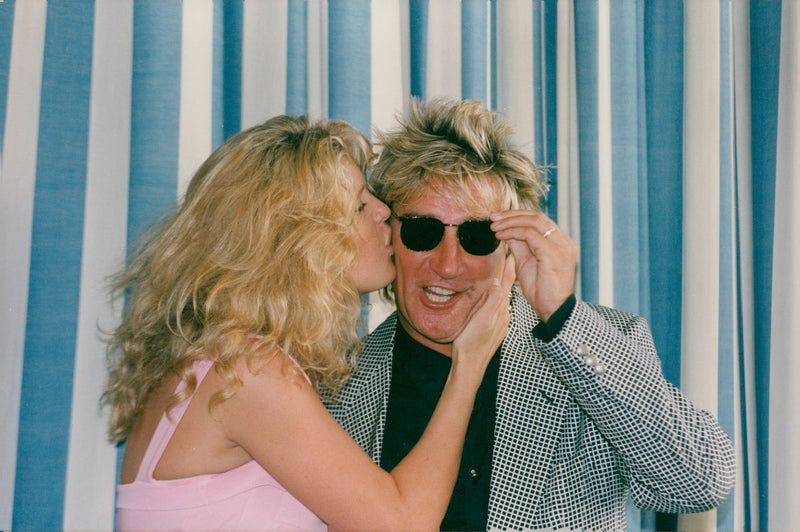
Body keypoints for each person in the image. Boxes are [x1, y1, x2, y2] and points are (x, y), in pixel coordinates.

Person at [327, 98, 736, 531]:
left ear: (512, 246)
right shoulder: (337, 380)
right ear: (389, 236)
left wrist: (562, 317)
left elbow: (701, 481)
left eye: (477, 235)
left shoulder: (596, 349)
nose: (448, 265)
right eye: (422, 230)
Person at [102, 114, 515, 531]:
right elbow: (401, 524)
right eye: (358, 205)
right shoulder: (247, 370)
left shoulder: (224, 360)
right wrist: (470, 363)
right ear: (297, 240)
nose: (383, 211)